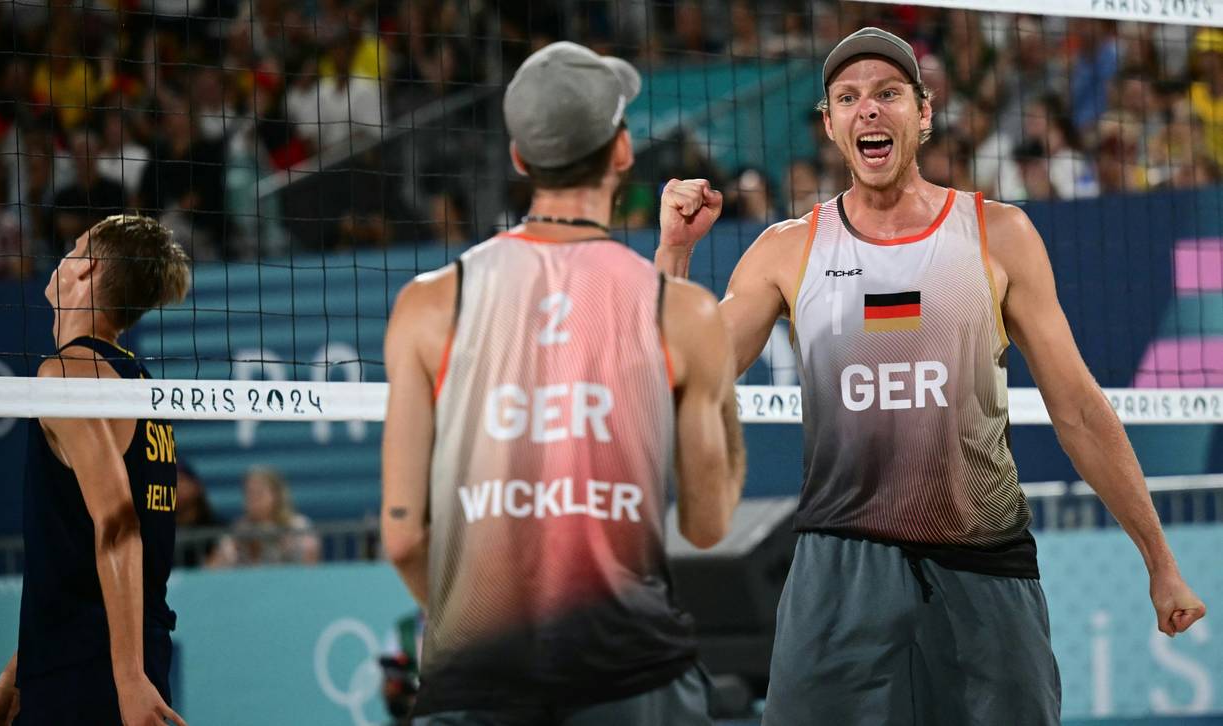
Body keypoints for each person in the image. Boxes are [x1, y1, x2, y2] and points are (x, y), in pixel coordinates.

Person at [655, 27, 1207, 725]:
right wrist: (674, 255)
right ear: (830, 124)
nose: (870, 110)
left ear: (924, 111)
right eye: (849, 98)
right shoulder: (786, 249)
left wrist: (1159, 561)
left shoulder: (997, 234)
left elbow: (1079, 410)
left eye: (888, 93)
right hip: (841, 570)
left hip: (981, 565)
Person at [382, 41, 746, 725]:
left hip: (479, 676)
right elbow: (706, 523)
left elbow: (403, 537)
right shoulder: (682, 313)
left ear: (519, 159)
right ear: (622, 151)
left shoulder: (429, 306)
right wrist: (712, 370)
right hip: (630, 675)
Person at [0, 214, 190, 725]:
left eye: (73, 247)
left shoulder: (68, 374)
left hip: (93, 676)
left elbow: (120, 527)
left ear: (87, 269)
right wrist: (14, 678)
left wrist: (129, 680)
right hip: (102, 660)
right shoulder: (137, 383)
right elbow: (75, 568)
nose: (63, 257)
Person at [210, 465, 321, 566]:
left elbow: (310, 568)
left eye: (259, 493)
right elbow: (212, 570)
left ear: (277, 495)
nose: (253, 500)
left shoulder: (298, 527)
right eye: (249, 493)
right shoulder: (239, 530)